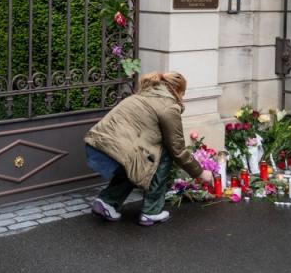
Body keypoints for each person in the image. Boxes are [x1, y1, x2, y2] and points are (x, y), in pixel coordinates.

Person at [84, 71, 213, 226]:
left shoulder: (142, 96)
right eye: (183, 93)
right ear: (177, 90)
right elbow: (177, 149)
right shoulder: (168, 107)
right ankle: (152, 212)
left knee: (136, 164)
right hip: (115, 149)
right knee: (162, 154)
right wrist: (200, 172)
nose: (182, 97)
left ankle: (107, 202)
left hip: (98, 144)